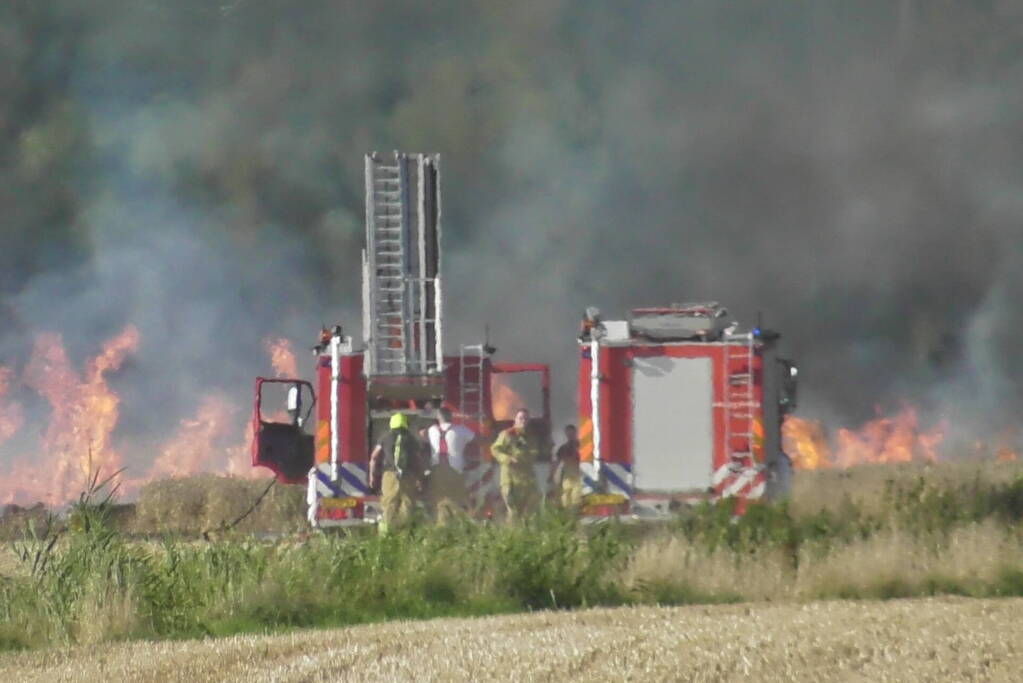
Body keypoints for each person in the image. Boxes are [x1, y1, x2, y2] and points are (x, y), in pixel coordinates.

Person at [368, 412, 425, 534]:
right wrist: (420, 478)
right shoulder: (412, 439)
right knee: (407, 504)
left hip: (390, 475)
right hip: (408, 476)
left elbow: (374, 457)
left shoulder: (385, 437)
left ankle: (386, 534)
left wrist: (372, 475)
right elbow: (418, 460)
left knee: (389, 504)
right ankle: (403, 534)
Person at [424, 406, 476, 525]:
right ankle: (458, 525)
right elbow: (477, 439)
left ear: (438, 417)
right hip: (455, 471)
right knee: (456, 500)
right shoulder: (461, 430)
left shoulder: (432, 430)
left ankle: (441, 526)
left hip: (437, 471)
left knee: (440, 500)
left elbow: (423, 435)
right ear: (451, 417)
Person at [490, 408, 541, 522]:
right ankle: (512, 536)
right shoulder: (507, 434)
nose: (523, 421)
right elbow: (495, 449)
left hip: (527, 480)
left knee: (529, 512)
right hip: (510, 479)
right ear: (515, 419)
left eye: (526, 418)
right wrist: (507, 458)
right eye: (521, 418)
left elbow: (534, 454)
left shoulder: (531, 437)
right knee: (513, 511)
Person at [549, 425, 583, 510]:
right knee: (566, 501)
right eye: (568, 433)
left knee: (576, 500)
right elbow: (556, 462)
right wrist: (551, 475)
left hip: (578, 477)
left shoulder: (582, 446)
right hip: (567, 478)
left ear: (575, 433)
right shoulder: (563, 448)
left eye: (572, 433)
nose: (570, 435)